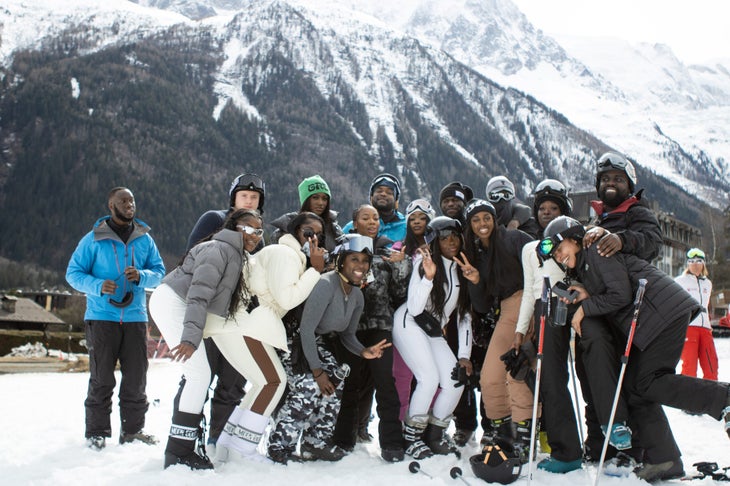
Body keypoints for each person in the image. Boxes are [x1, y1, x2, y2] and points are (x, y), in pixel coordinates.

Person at [539, 216, 730, 482]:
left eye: (561, 249)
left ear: (575, 239)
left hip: (662, 316)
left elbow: (621, 294)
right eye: (556, 254)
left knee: (649, 382)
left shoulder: (595, 251)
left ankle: (724, 400)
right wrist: (587, 295)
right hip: (655, 321)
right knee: (636, 387)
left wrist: (585, 308)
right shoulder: (587, 264)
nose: (560, 256)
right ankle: (665, 459)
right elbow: (612, 290)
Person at [209, 211, 325, 464]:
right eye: (308, 231)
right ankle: (242, 450)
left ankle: (228, 445)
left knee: (263, 383)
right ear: (294, 231)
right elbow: (286, 298)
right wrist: (315, 271)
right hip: (250, 323)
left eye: (318, 234)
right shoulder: (286, 254)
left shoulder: (286, 254)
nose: (313, 237)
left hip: (245, 323)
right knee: (274, 382)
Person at [149, 209, 258, 469]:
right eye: (248, 228)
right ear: (234, 227)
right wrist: (190, 337)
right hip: (174, 303)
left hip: (181, 305)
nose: (254, 235)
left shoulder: (235, 255)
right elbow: (199, 293)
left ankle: (180, 449)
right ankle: (178, 452)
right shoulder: (217, 249)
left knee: (199, 375)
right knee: (198, 375)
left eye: (259, 231)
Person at [267, 234, 391, 464]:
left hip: (318, 343)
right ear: (342, 260)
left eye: (365, 261)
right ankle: (279, 446)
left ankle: (315, 443)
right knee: (308, 388)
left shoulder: (357, 296)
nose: (360, 266)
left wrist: (364, 351)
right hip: (294, 343)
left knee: (334, 386)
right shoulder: (325, 284)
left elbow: (347, 335)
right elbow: (305, 330)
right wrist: (317, 372)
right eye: (354, 259)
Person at [578, 151, 663, 462]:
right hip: (601, 309)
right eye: (605, 179)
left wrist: (621, 239)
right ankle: (598, 445)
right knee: (593, 380)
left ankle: (634, 450)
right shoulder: (596, 218)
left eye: (617, 179)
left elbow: (653, 242)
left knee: (628, 382)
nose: (610, 184)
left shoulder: (637, 213)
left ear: (630, 185)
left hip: (631, 310)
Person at [66, 187, 166, 451]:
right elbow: (73, 274)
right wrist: (98, 285)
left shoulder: (145, 239)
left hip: (135, 317)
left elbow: (159, 272)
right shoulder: (92, 239)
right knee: (102, 378)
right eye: (123, 200)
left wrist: (142, 277)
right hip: (101, 317)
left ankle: (133, 431)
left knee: (136, 378)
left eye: (132, 199)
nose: (129, 204)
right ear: (111, 205)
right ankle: (96, 433)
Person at [184, 172, 267, 449]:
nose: (249, 201)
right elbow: (193, 256)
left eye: (254, 197)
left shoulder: (258, 234)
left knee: (232, 381)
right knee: (198, 377)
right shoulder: (213, 219)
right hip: (208, 312)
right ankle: (187, 432)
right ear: (233, 198)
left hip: (237, 317)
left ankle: (218, 438)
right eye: (244, 195)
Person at [512, 179, 582, 473]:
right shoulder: (530, 249)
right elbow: (530, 290)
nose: (548, 213)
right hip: (547, 310)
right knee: (551, 379)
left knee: (586, 379)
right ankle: (565, 450)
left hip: (575, 307)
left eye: (554, 208)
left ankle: (590, 444)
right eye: (543, 208)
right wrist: (520, 328)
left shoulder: (576, 241)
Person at [456, 199, 534, 462]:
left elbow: (541, 263)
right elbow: (482, 304)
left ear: (494, 219)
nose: (482, 224)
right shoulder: (478, 255)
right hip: (505, 310)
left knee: (517, 373)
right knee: (489, 377)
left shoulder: (515, 239)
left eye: (486, 218)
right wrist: (476, 280)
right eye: (475, 220)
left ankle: (525, 437)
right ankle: (503, 434)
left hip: (530, 303)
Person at [333, 205, 411, 462]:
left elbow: (400, 293)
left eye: (376, 218)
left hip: (380, 326)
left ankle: (391, 443)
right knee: (351, 384)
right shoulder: (345, 250)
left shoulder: (388, 253)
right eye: (365, 218)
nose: (372, 221)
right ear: (354, 224)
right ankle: (344, 439)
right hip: (350, 328)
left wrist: (400, 267)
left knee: (385, 385)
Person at [393, 216, 473, 459]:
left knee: (456, 380)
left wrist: (464, 356)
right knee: (428, 378)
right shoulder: (423, 261)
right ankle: (412, 436)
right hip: (410, 322)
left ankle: (435, 434)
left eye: (455, 237)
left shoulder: (463, 267)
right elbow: (416, 308)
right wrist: (428, 278)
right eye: (444, 237)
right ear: (435, 241)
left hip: (433, 330)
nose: (451, 241)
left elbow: (464, 316)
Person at [391, 199, 436, 422]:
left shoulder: (438, 246)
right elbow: (395, 283)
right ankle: (400, 421)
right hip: (404, 316)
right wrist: (401, 262)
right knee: (402, 374)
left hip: (433, 316)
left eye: (422, 218)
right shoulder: (400, 247)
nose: (417, 222)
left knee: (433, 374)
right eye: (413, 219)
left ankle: (428, 421)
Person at [270, 175, 343, 252]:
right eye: (315, 197)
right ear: (305, 200)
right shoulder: (285, 229)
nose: (321, 203)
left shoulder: (334, 229)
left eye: (325, 198)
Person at [675, 248, 717, 380]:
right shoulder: (679, 281)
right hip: (688, 327)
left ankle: (711, 398)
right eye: (691, 261)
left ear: (703, 263)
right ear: (687, 264)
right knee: (689, 367)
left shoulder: (708, 283)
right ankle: (687, 399)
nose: (695, 264)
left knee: (711, 366)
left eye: (699, 261)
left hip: (705, 329)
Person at [342, 173, 406, 243]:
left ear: (396, 200)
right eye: (379, 191)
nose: (383, 194)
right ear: (371, 197)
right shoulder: (355, 226)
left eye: (389, 192)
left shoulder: (406, 227)